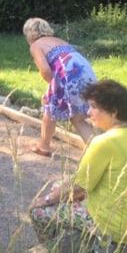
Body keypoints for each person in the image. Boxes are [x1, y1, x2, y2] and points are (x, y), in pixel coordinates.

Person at [30, 80, 127, 246]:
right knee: (58, 185)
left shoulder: (103, 142)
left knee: (38, 211)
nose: (88, 112)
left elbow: (78, 187)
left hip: (116, 226)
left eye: (94, 107)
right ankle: (75, 240)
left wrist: (46, 200)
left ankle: (54, 252)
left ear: (113, 112)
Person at [23, 17, 97, 156]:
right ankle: (103, 151)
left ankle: (44, 146)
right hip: (86, 73)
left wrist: (52, 90)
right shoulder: (61, 41)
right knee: (79, 118)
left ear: (29, 34)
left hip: (69, 75)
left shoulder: (36, 45)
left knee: (50, 109)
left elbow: (45, 70)